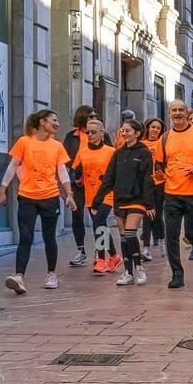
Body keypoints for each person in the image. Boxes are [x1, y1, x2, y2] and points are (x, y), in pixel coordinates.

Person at [0, 110, 75, 293]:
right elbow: (13, 166)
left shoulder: (57, 146)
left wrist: (69, 194)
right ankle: (19, 276)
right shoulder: (24, 142)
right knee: (25, 236)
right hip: (27, 197)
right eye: (54, 120)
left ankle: (51, 274)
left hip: (50, 197)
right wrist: (3, 189)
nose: (57, 124)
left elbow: (62, 170)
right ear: (42, 122)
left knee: (49, 237)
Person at [155, 99, 193, 287]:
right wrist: (158, 171)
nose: (177, 113)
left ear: (187, 112)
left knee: (192, 233)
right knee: (171, 234)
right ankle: (177, 274)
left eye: (181, 109)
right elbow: (159, 162)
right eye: (174, 110)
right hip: (172, 193)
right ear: (169, 113)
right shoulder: (164, 138)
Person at [91, 118, 155, 287]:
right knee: (124, 238)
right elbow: (109, 178)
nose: (124, 133)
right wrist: (97, 200)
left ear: (137, 133)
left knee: (130, 234)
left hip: (136, 200)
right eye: (122, 130)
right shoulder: (118, 153)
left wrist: (149, 204)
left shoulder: (144, 152)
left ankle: (139, 268)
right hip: (119, 200)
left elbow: (147, 179)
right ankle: (128, 272)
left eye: (128, 130)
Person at [75, 119, 121, 275]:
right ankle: (114, 256)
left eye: (93, 132)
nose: (90, 135)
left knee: (99, 223)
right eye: (88, 132)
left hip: (107, 194)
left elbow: (115, 174)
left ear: (102, 133)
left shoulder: (111, 152)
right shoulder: (82, 152)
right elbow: (77, 171)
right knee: (101, 227)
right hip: (90, 194)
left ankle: (101, 259)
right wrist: (77, 177)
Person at [62, 106, 95, 266]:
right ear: (83, 118)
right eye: (91, 116)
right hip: (77, 182)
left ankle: (101, 253)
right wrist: (75, 177)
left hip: (96, 183)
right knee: (77, 216)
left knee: (99, 218)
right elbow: (66, 159)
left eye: (95, 116)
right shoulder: (71, 136)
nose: (94, 118)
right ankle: (81, 250)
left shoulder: (102, 135)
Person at [139, 118, 166, 261]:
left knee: (158, 214)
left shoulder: (163, 143)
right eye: (152, 127)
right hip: (145, 183)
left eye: (158, 128)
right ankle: (146, 247)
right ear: (147, 128)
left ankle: (162, 240)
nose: (155, 130)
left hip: (160, 183)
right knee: (146, 214)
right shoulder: (141, 144)